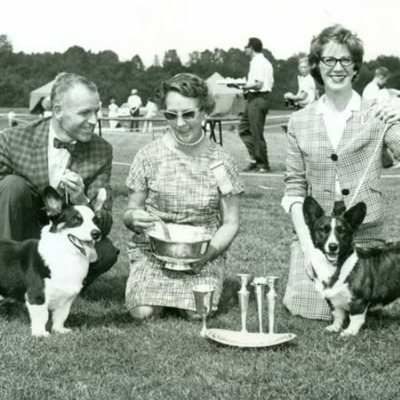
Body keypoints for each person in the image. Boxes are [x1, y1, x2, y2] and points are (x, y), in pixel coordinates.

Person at [281, 25, 400, 320]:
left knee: (360, 304)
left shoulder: (378, 111)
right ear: (317, 65)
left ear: (356, 65)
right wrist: (309, 250)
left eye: (346, 60)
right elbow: (294, 189)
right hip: (319, 239)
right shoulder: (299, 121)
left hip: (365, 239)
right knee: (311, 309)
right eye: (329, 60)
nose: (337, 68)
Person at [123, 73, 244, 319]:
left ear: (204, 112)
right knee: (142, 312)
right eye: (171, 115)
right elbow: (129, 213)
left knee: (197, 312)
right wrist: (134, 218)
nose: (179, 123)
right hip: (153, 250)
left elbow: (231, 222)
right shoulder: (148, 155)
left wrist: (207, 255)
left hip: (202, 253)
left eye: (188, 114)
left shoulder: (221, 161)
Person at [0, 72, 119, 289]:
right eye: (84, 113)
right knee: (11, 185)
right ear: (57, 111)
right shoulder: (13, 139)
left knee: (106, 253)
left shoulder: (102, 150)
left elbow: (106, 223)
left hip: (68, 236)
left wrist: (82, 200)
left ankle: (57, 286)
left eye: (96, 111)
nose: (94, 120)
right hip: (24, 235)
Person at [238, 37, 274, 173]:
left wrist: (243, 86)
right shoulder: (263, 62)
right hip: (256, 98)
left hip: (258, 98)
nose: (245, 50)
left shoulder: (258, 62)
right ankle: (255, 158)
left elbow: (258, 84)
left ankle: (263, 164)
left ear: (251, 48)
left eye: (246, 47)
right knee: (243, 128)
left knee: (256, 132)